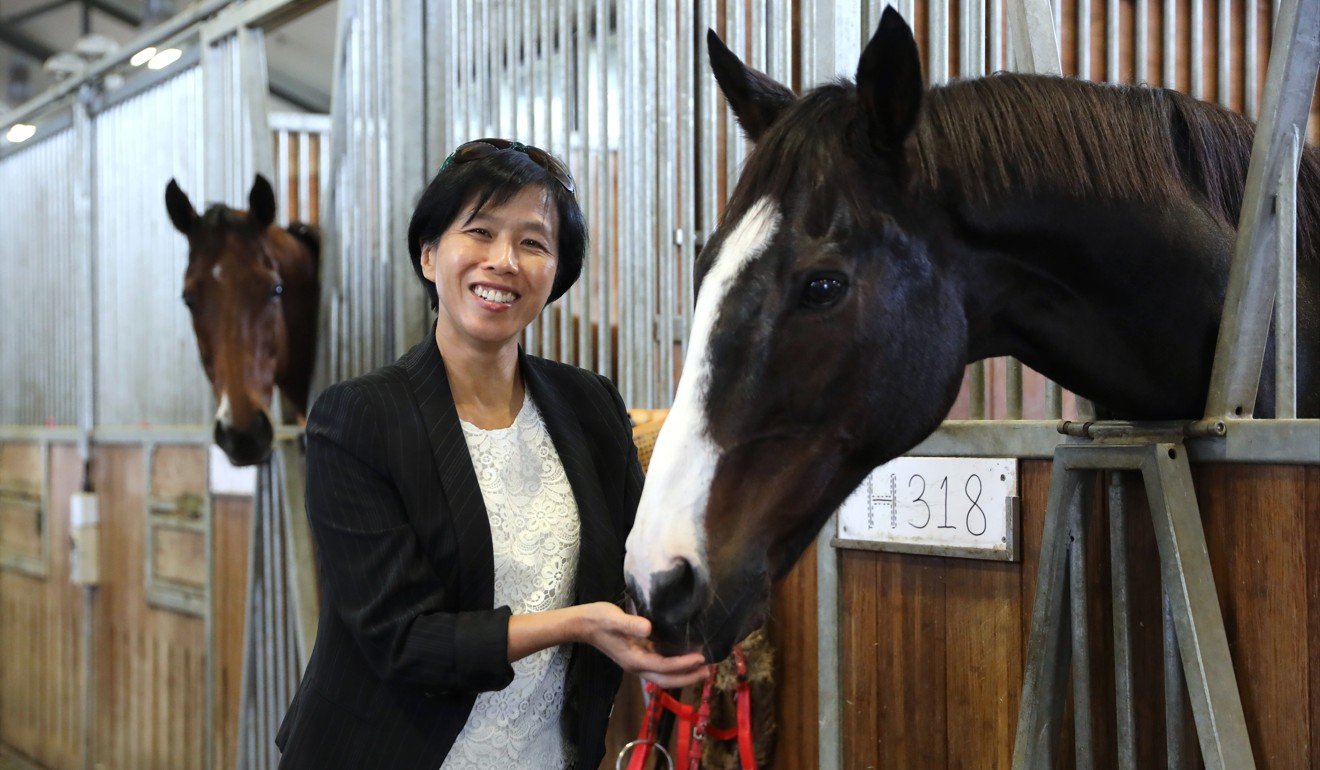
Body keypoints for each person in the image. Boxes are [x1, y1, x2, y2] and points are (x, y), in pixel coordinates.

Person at [275, 139, 708, 770]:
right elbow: (401, 639)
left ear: (556, 272)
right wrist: (575, 625)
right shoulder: (359, 418)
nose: (504, 260)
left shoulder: (590, 407)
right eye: (480, 232)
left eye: (533, 242)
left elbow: (632, 566)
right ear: (429, 255)